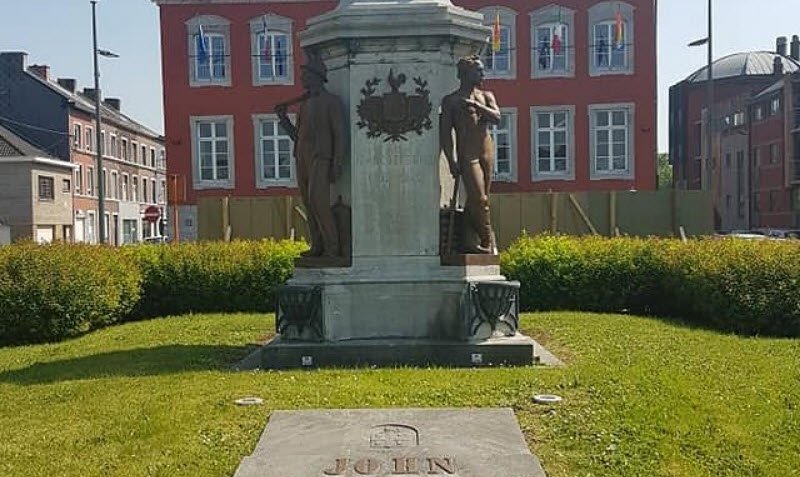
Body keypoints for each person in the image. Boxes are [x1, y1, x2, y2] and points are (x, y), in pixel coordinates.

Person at [275, 53, 346, 257]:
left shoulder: (331, 102)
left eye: (305, 75)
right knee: (307, 202)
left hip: (321, 156)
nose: (301, 79)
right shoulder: (304, 105)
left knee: (318, 202)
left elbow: (340, 134)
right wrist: (283, 119)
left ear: (316, 76)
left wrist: (337, 163)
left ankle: (333, 247)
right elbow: (298, 137)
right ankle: (317, 245)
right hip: (302, 156)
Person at [440, 55, 501, 254]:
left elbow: (497, 117)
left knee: (476, 200)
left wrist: (478, 107)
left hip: (486, 151)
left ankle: (468, 242)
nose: (482, 74)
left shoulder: (487, 96)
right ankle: (487, 238)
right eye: (478, 71)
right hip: (468, 155)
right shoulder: (451, 101)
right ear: (466, 74)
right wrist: (450, 160)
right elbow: (445, 134)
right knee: (480, 199)